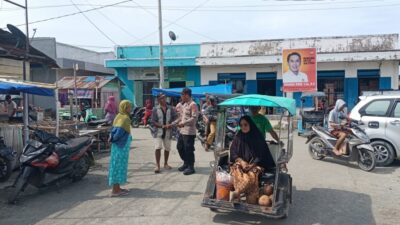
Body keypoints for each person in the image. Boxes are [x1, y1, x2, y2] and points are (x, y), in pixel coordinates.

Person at [229, 116, 276, 202]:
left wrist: (251, 165)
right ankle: (239, 194)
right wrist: (242, 161)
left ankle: (237, 192)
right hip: (240, 164)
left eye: (245, 124)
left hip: (255, 165)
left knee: (249, 177)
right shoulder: (238, 137)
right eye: (241, 125)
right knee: (237, 173)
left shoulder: (257, 137)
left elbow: (261, 154)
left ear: (250, 124)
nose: (243, 127)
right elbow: (233, 152)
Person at [108, 100, 133, 197]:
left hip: (117, 146)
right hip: (121, 146)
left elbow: (114, 131)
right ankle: (115, 191)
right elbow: (118, 133)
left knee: (117, 165)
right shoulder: (125, 118)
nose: (130, 109)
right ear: (125, 107)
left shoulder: (118, 116)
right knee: (118, 166)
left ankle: (117, 188)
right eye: (129, 107)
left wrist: (112, 138)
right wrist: (114, 138)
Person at [151, 93, 177, 173]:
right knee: (158, 148)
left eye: (165, 98)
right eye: (162, 98)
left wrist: (171, 124)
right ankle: (157, 165)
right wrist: (162, 126)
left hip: (168, 132)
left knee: (167, 148)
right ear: (158, 100)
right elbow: (153, 121)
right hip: (158, 132)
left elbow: (175, 117)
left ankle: (165, 163)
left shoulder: (171, 108)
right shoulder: (155, 109)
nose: (164, 99)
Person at [176, 88, 198, 175]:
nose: (181, 97)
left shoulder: (193, 105)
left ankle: (191, 167)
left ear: (187, 95)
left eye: (182, 95)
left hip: (189, 131)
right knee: (180, 147)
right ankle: (186, 163)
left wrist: (183, 123)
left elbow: (194, 118)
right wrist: (174, 123)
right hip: (182, 131)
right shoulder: (184, 105)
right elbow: (181, 117)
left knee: (188, 149)